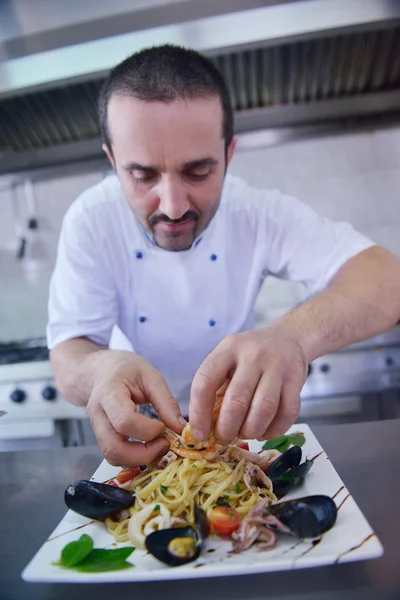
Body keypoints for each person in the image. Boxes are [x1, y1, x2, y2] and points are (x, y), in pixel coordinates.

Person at [47, 44, 400, 467]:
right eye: (142, 175)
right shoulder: (91, 220)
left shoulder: (257, 212)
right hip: (138, 441)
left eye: (198, 171)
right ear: (113, 160)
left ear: (229, 155)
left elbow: (385, 279)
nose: (173, 206)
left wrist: (292, 338)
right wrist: (99, 371)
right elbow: (69, 356)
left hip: (233, 436)